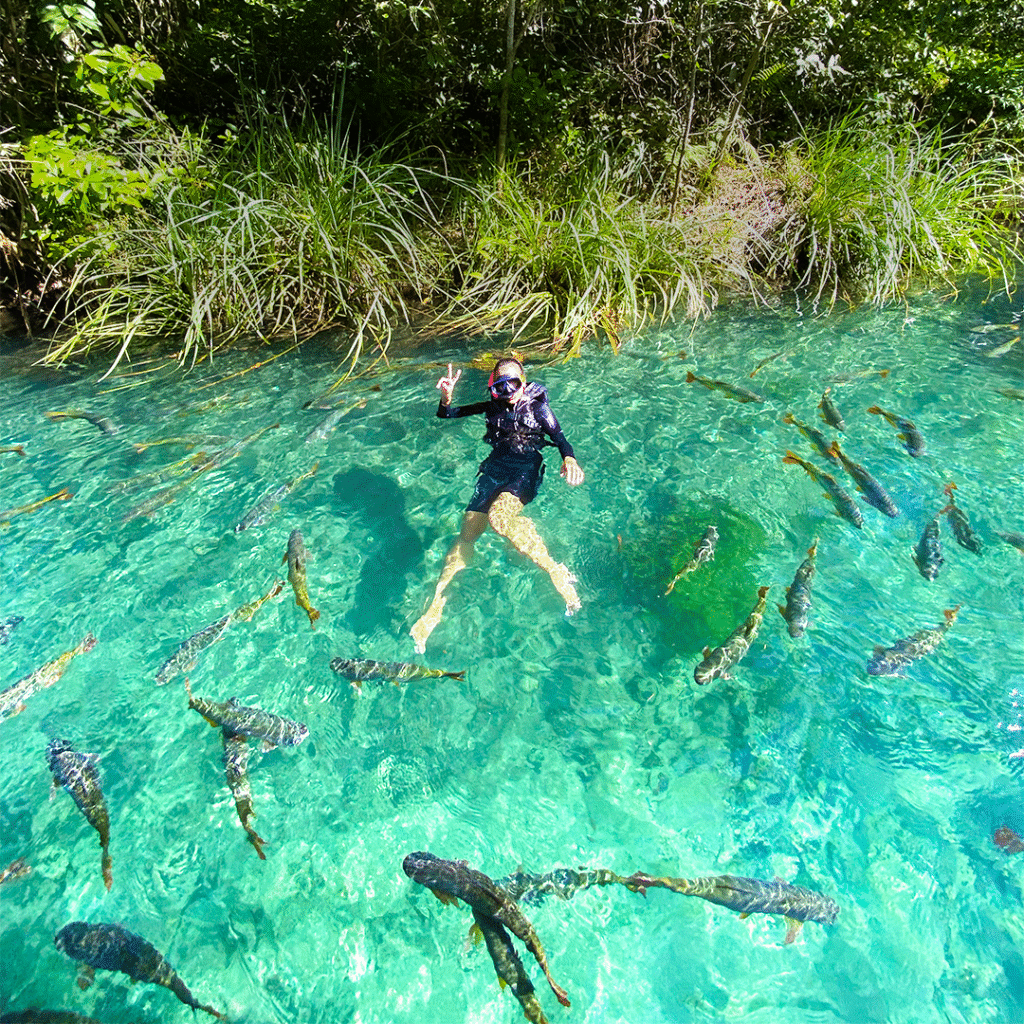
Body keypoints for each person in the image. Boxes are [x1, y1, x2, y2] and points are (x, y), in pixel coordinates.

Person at [411, 357, 585, 652]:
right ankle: (435, 606)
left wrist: (569, 458)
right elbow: (447, 415)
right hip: (494, 469)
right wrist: (446, 397)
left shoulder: (539, 409)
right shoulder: (492, 407)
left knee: (500, 518)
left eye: (514, 384)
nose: (508, 391)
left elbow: (561, 440)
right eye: (500, 386)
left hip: (525, 470)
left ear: (524, 381)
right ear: (493, 387)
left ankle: (554, 569)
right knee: (467, 534)